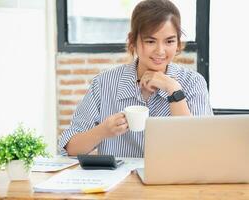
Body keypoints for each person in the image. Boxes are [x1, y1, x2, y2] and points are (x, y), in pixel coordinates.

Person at [58, 0, 213, 157]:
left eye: (170, 41)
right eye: (150, 41)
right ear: (133, 41)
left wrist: (173, 89)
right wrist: (103, 131)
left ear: (178, 43)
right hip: (120, 181)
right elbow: (69, 148)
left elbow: (201, 149)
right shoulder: (104, 83)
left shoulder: (193, 82)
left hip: (173, 181)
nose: (160, 51)